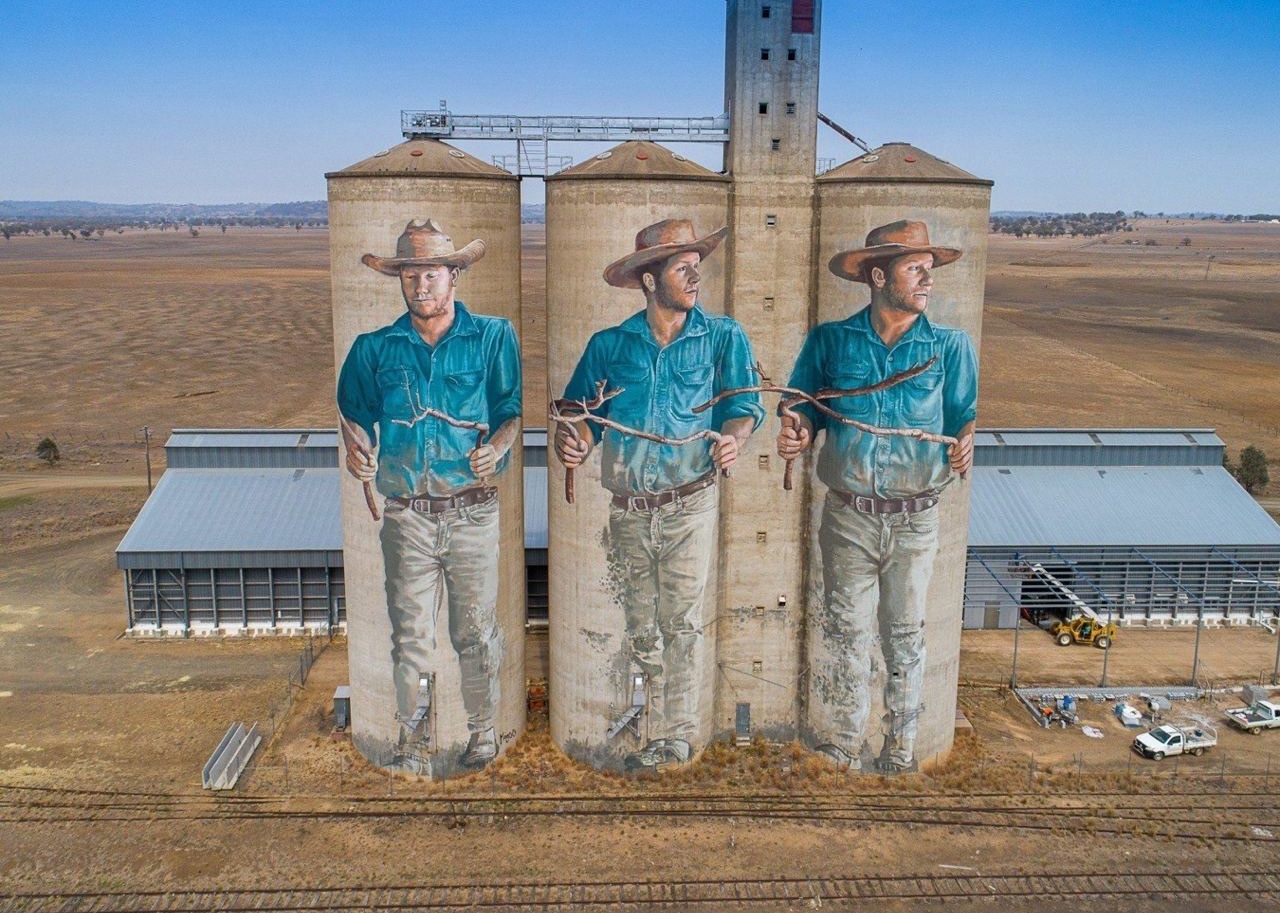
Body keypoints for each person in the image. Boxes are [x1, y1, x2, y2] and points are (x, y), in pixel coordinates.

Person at [555, 219, 764, 772]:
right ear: (649, 280)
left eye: (697, 261)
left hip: (689, 506)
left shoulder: (724, 337)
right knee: (642, 628)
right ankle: (650, 727)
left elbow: (744, 408)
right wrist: (572, 442)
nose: (695, 273)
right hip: (627, 512)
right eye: (681, 265)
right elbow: (579, 415)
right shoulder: (609, 346)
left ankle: (674, 738)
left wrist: (733, 439)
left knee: (682, 625)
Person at [778, 219, 977, 772]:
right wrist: (796, 426)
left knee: (906, 639)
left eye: (929, 269)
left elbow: (964, 419)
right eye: (914, 268)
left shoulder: (950, 348)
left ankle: (900, 750)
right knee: (846, 636)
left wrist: (966, 444)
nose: (926, 279)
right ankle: (844, 746)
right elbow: (801, 404)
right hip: (848, 517)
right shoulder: (829, 341)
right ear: (876, 274)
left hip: (916, 521)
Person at [337, 219, 521, 773]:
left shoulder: (493, 337)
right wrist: (358, 448)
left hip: (472, 513)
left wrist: (499, 450)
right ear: (399, 280)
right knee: (410, 637)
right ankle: (413, 738)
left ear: (455, 276)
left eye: (433, 274)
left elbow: (510, 411)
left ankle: (484, 732)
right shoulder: (375, 349)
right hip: (407, 518)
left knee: (475, 632)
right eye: (411, 275)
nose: (422, 286)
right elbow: (351, 411)